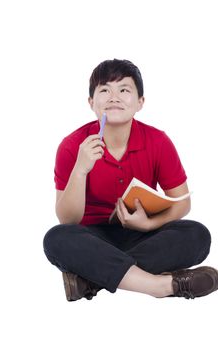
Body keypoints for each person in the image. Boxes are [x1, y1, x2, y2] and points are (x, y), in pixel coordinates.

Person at [43, 59, 218, 301]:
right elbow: (67, 220)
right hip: (92, 238)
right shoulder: (72, 146)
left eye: (124, 90)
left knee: (198, 235)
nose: (114, 97)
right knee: (56, 239)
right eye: (104, 90)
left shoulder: (158, 141)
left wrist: (149, 225)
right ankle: (160, 285)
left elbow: (182, 203)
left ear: (140, 103)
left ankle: (90, 278)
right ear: (91, 103)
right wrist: (80, 170)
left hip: (141, 234)